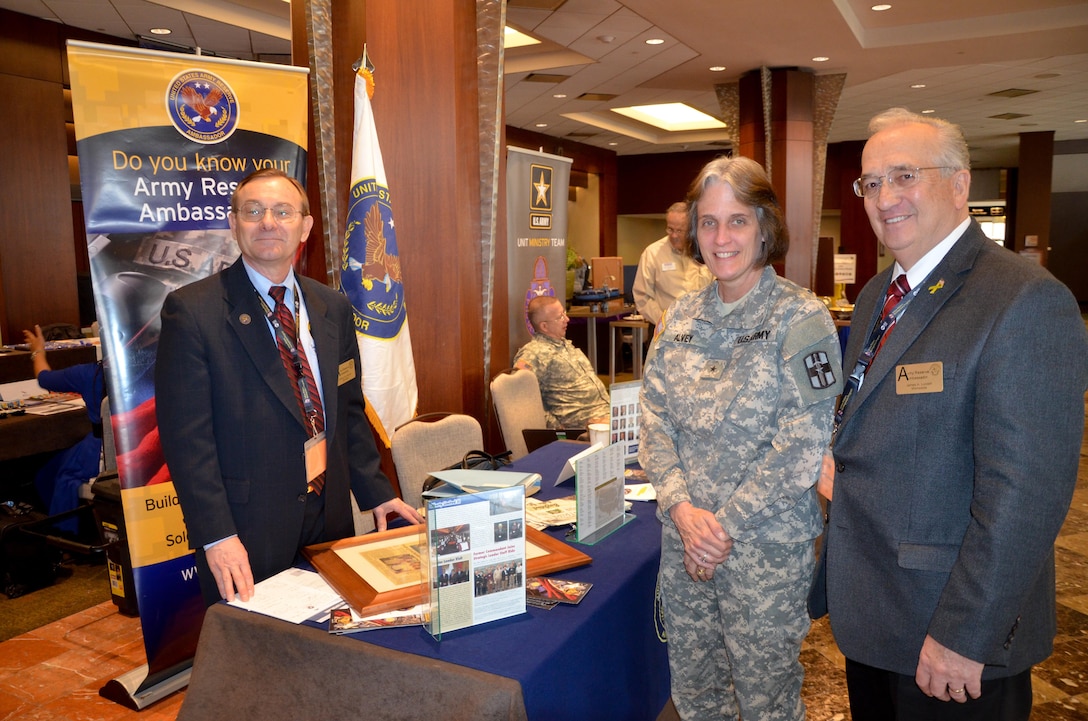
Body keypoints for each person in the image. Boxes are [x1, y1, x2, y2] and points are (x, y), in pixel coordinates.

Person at [819, 108, 1088, 720]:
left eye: (905, 175)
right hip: (875, 617)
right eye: (871, 182)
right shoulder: (875, 297)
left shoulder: (1023, 299)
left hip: (951, 635)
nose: (885, 197)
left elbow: (1026, 493)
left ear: (960, 184)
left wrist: (967, 634)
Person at [155, 168, 422, 606]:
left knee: (329, 646)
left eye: (283, 211)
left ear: (305, 225)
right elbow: (188, 443)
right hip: (247, 527)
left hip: (328, 513)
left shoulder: (332, 306)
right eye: (253, 211)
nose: (268, 222)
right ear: (233, 222)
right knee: (258, 657)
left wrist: (378, 493)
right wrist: (216, 535)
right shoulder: (192, 312)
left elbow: (348, 412)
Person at [639, 156, 842, 720]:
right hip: (684, 546)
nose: (721, 237)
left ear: (764, 227)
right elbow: (654, 419)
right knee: (696, 697)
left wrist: (720, 528)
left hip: (764, 556)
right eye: (708, 222)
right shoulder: (679, 317)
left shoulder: (802, 319)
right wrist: (682, 511)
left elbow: (802, 446)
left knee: (766, 704)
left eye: (737, 221)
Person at [21, 324, 106, 520]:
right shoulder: (152, 370)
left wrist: (38, 352)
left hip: (98, 452)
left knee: (46, 475)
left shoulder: (87, 373)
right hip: (134, 449)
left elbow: (44, 378)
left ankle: (63, 535)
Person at [513, 295, 610, 429]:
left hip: (605, 414)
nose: (567, 319)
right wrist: (557, 427)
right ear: (544, 326)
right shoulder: (534, 353)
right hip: (582, 425)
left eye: (564, 313)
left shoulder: (565, 345)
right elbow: (521, 399)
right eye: (560, 317)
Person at [632, 201, 713, 327]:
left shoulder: (704, 250)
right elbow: (642, 297)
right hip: (666, 330)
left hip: (702, 329)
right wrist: (665, 322)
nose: (674, 235)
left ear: (692, 228)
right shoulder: (652, 253)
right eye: (670, 229)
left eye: (680, 231)